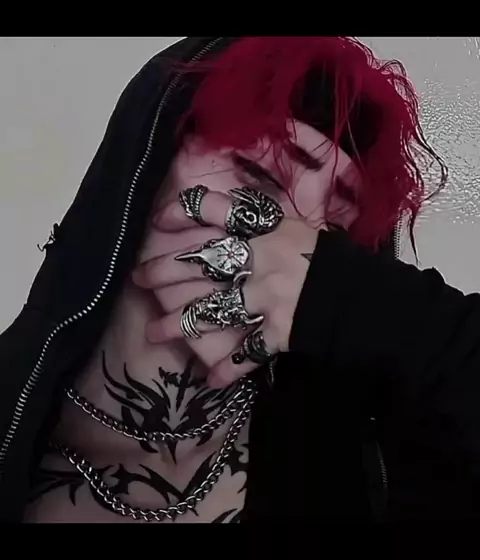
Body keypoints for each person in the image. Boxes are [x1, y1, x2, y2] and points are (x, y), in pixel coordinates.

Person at [0, 36, 478, 523]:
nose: (296, 240)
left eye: (331, 235)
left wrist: (372, 308)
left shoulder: (368, 458)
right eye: (257, 174)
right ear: (144, 177)